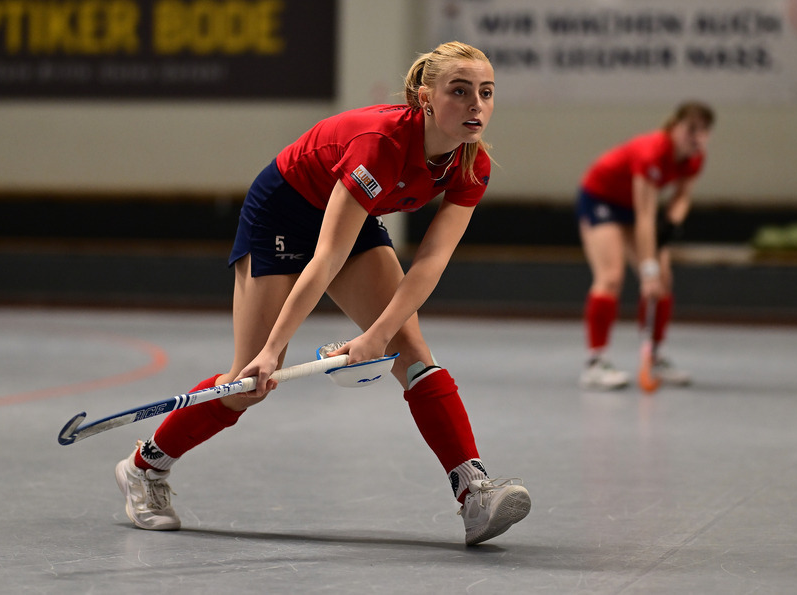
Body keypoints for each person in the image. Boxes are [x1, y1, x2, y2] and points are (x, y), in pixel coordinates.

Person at [114, 41, 530, 546]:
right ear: (425, 99)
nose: (475, 105)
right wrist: (272, 351)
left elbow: (430, 263)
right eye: (459, 92)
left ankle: (473, 491)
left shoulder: (471, 164)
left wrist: (378, 336)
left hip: (352, 213)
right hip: (282, 213)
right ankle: (144, 467)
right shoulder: (380, 146)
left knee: (413, 354)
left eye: (486, 93)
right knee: (247, 383)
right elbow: (327, 257)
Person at [576, 101, 715, 390]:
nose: (696, 137)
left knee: (663, 281)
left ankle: (654, 356)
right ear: (674, 127)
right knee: (611, 277)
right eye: (691, 129)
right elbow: (645, 216)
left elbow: (682, 196)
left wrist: (672, 223)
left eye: (703, 131)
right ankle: (595, 363)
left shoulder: (695, 157)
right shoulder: (652, 152)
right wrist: (648, 269)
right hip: (601, 199)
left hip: (634, 207)